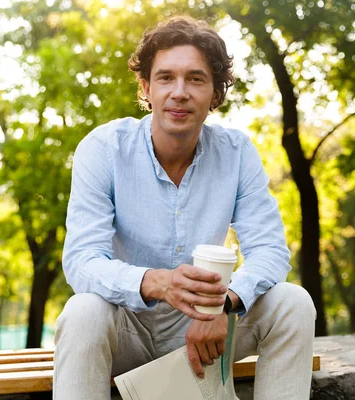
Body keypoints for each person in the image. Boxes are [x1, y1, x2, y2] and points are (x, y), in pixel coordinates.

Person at [53, 16, 316, 400]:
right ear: (146, 87)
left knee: (293, 302)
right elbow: (81, 261)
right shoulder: (105, 148)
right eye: (165, 78)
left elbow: (271, 251)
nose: (180, 92)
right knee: (83, 312)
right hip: (127, 331)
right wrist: (157, 282)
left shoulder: (237, 153)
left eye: (195, 79)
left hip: (207, 331)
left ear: (215, 93)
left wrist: (222, 307)